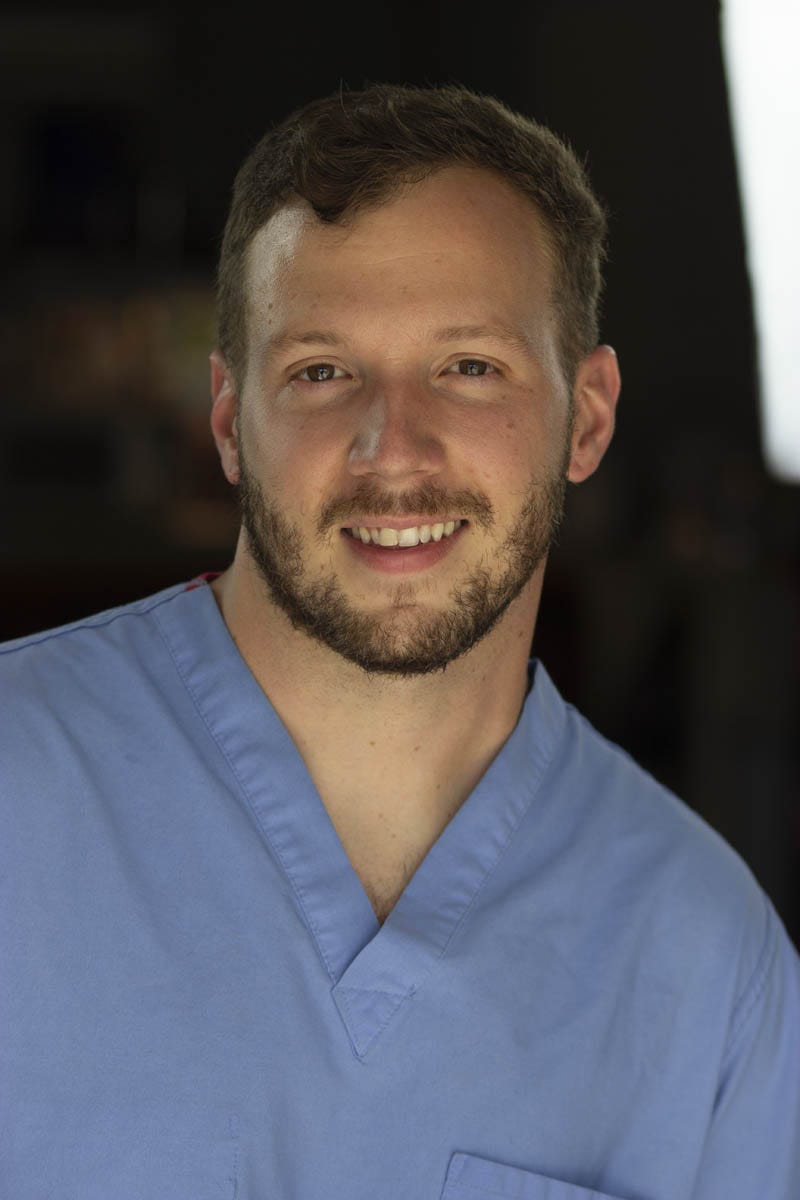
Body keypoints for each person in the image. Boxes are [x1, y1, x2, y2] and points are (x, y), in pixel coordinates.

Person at [2, 83, 798, 1200]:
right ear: (228, 422)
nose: (393, 449)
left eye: (469, 366)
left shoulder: (709, 967)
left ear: (587, 416)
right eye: (322, 371)